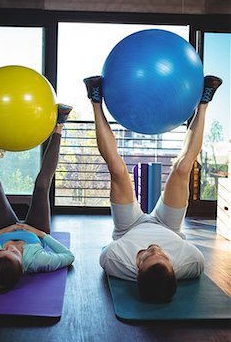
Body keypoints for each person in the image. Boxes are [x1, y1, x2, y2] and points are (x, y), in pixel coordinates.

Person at [84, 74, 223, 303]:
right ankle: (204, 104)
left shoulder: (116, 261)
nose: (156, 249)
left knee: (118, 171)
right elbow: (192, 258)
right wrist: (164, 249)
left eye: (149, 255)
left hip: (128, 228)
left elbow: (105, 254)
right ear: (173, 268)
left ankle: (95, 101)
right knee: (183, 167)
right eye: (164, 257)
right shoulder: (191, 264)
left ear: (137, 270)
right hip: (169, 226)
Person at [0, 102, 75, 294]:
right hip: (36, 232)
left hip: (3, 228)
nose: (12, 247)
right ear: (23, 267)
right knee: (42, 185)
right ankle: (60, 124)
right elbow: (68, 256)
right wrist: (40, 234)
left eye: (4, 250)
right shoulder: (37, 262)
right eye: (16, 254)